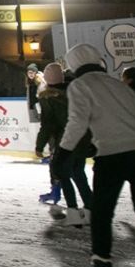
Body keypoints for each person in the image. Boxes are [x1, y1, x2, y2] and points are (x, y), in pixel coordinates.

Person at [49, 43, 135, 267]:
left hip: (113, 155)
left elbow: (77, 123)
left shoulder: (80, 85)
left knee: (102, 213)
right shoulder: (117, 84)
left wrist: (62, 155)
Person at [35, 63, 93, 221]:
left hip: (65, 141)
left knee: (64, 175)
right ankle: (91, 207)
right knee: (79, 174)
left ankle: (73, 211)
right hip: (82, 138)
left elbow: (48, 124)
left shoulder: (47, 97)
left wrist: (39, 145)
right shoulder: (74, 90)